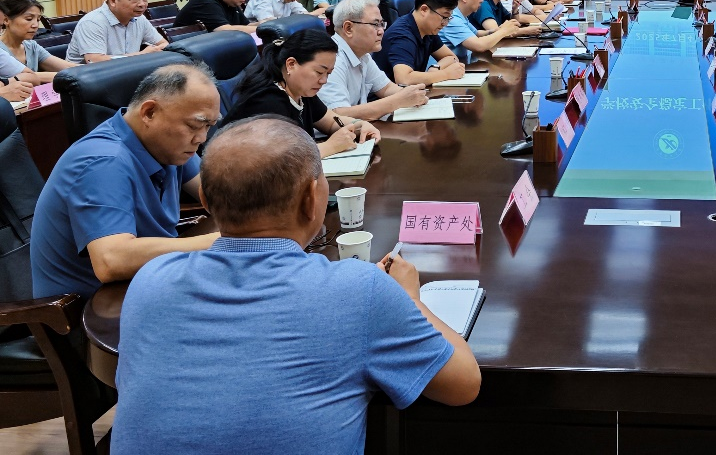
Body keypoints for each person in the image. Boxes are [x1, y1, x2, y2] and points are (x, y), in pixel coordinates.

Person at [111, 118, 480, 453]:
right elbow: (463, 385)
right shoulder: (358, 290)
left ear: (205, 200)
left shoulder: (150, 280)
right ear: (310, 198)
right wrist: (410, 298)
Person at [30, 63, 222, 297]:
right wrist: (221, 241)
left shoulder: (167, 145)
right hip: (92, 306)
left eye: (208, 126)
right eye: (194, 125)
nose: (201, 138)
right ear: (149, 112)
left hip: (145, 282)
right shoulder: (103, 161)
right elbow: (112, 261)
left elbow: (220, 194)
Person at [219, 31, 381, 158]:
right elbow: (278, 158)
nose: (324, 80)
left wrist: (359, 125)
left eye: (329, 74)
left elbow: (331, 122)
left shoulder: (301, 90)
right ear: (291, 64)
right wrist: (330, 146)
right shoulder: (267, 100)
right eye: (319, 72)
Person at [318, 0, 431, 121]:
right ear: (348, 28)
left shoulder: (362, 54)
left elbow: (386, 88)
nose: (381, 31)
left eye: (382, 24)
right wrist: (397, 101)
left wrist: (413, 95)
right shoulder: (333, 60)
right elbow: (337, 115)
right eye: (375, 24)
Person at [381, 0, 467, 87]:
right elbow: (404, 79)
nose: (445, 23)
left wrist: (435, 68)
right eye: (444, 17)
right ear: (424, 9)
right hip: (388, 96)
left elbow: (451, 57)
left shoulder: (428, 30)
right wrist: (446, 74)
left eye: (448, 18)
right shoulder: (402, 35)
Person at [66, 0, 168, 63]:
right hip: (87, 77)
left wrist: (157, 50)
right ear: (113, 0)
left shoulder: (139, 18)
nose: (142, 4)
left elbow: (164, 44)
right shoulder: (92, 23)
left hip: (126, 73)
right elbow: (94, 61)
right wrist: (141, 55)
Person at [440, 0, 521, 62]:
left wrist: (497, 30)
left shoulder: (461, 14)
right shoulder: (452, 18)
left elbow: (477, 33)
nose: (482, 0)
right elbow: (479, 45)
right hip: (446, 68)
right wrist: (503, 31)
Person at [0, 0, 72, 84]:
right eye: (29, 19)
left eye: (38, 20)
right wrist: (69, 75)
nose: (35, 25)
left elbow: (66, 67)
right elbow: (28, 77)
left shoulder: (31, 45)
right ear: (6, 20)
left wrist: (87, 69)